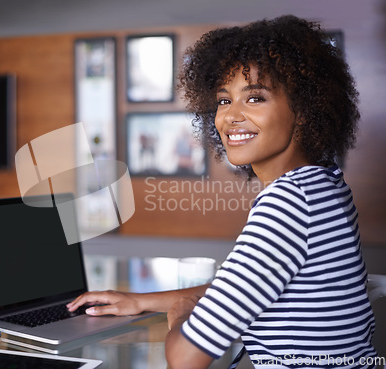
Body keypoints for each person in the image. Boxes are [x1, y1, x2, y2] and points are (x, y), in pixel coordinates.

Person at [68, 15, 377, 368]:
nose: (230, 117)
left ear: (304, 111)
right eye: (224, 100)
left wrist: (181, 316)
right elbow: (240, 290)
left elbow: (185, 358)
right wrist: (140, 301)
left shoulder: (288, 203)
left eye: (255, 98)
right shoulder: (325, 184)